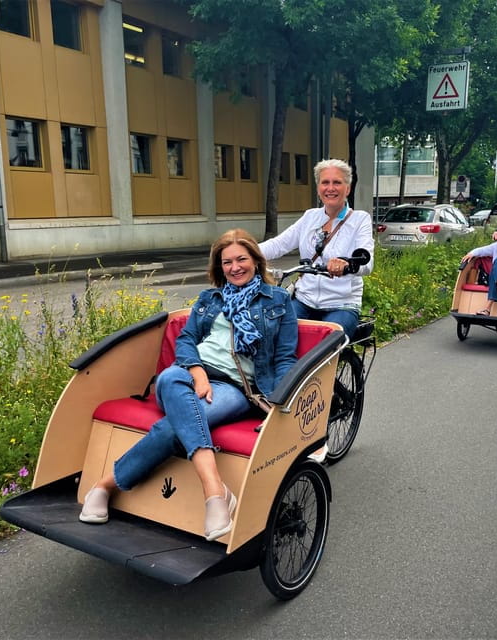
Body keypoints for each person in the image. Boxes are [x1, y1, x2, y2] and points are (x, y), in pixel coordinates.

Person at [79, 229, 298, 541]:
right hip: (189, 375)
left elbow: (285, 356)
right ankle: (214, 489)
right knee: (169, 377)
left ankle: (105, 485)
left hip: (235, 388)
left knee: (173, 428)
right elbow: (186, 340)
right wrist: (198, 373)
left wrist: (279, 401)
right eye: (227, 262)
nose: (234, 267)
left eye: (241, 259)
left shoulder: (278, 300)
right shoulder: (210, 299)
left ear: (256, 261)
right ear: (219, 266)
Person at [259, 158, 374, 338]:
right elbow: (279, 244)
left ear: (348, 188)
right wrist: (244, 253)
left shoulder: (360, 219)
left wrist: (347, 264)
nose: (330, 188)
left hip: (341, 304)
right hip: (304, 300)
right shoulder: (310, 217)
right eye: (325, 182)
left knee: (326, 343)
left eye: (337, 182)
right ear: (319, 188)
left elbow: (367, 263)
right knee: (276, 334)